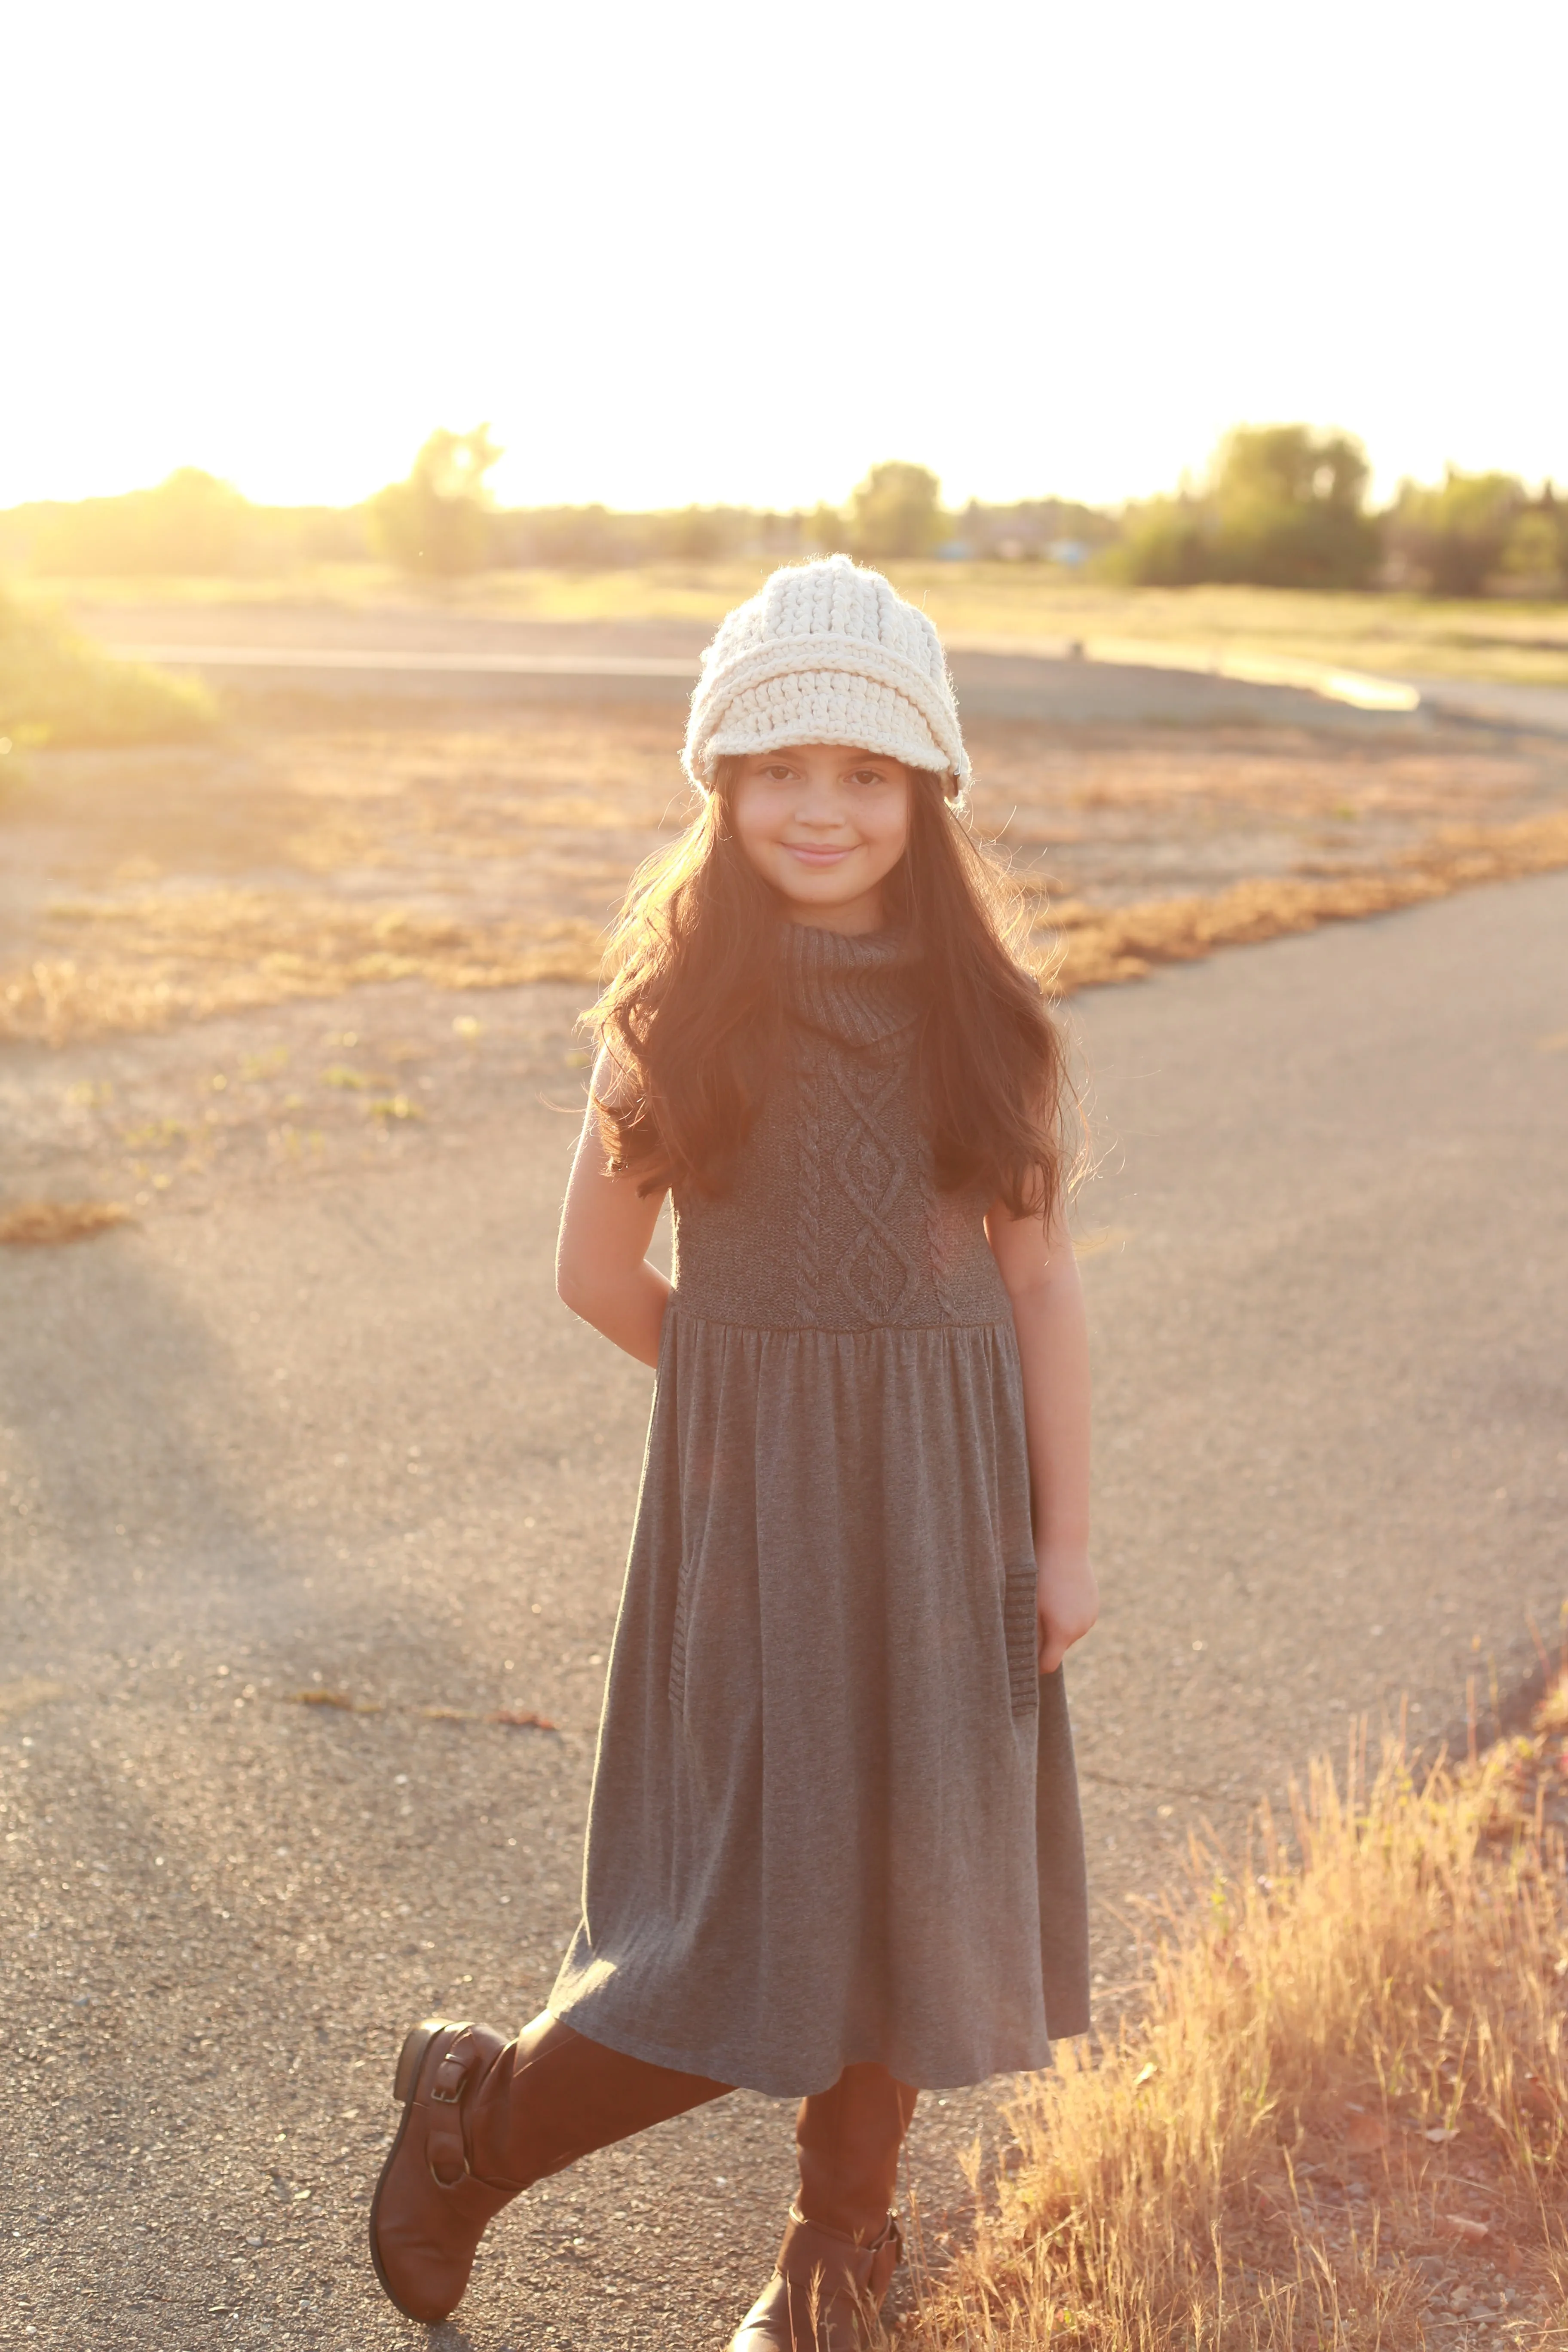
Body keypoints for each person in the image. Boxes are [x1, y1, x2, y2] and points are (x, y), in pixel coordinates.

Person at [368, 556, 1097, 2350]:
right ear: (721, 787)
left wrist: (1065, 1539)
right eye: (780, 769)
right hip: (754, 1529)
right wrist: (758, 1397)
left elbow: (1041, 1281)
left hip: (954, 1529)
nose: (822, 807)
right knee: (739, 1928)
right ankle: (483, 2125)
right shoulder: (679, 1015)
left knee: (917, 1912)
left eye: (864, 773)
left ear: (925, 792)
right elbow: (595, 1274)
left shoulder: (985, 1018)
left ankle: (836, 2256)